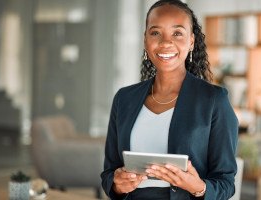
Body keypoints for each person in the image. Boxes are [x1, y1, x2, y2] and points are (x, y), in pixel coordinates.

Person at [100, 0, 238, 199]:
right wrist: (118, 184)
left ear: (191, 41)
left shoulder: (214, 100)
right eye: (155, 33)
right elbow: (109, 173)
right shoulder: (124, 99)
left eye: (177, 33)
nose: (165, 42)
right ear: (145, 40)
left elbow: (225, 184)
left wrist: (198, 187)